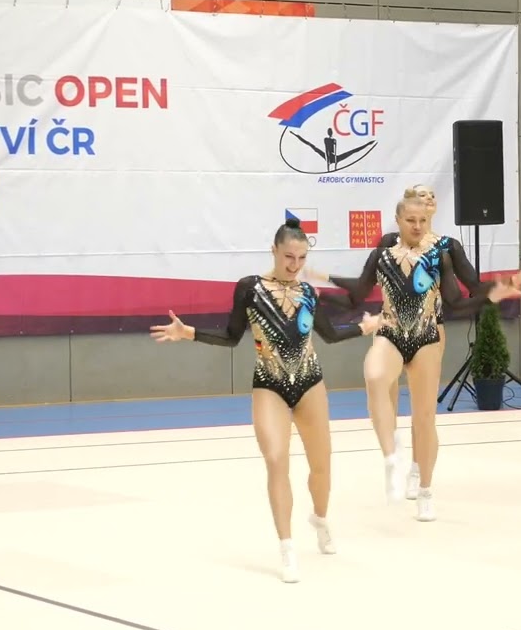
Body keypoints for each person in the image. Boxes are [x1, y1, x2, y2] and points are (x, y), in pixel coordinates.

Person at [149, 219, 384, 583]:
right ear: (273, 250)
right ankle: (287, 547)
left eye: (302, 257)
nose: (294, 264)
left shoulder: (309, 293)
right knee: (276, 461)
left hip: (310, 383)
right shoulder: (250, 288)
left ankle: (319, 518)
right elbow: (231, 337)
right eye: (288, 256)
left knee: (321, 466)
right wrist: (188, 333)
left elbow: (330, 336)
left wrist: (365, 327)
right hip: (269, 384)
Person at [319, 195, 521, 521]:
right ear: (397, 220)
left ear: (430, 219)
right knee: (374, 377)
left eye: (422, 220)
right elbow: (357, 293)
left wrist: (505, 287)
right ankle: (392, 453)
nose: (417, 225)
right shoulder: (382, 253)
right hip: (390, 333)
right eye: (411, 220)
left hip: (427, 336)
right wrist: (319, 288)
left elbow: (456, 300)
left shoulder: (441, 254)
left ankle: (424, 487)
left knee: (424, 418)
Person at [335, 184, 490, 501]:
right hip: (391, 329)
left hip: (430, 328)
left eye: (432, 196)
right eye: (420, 196)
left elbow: (467, 288)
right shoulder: (389, 245)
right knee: (383, 390)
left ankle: (420, 470)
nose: (427, 199)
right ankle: (394, 452)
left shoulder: (447, 247)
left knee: (423, 410)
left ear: (433, 208)